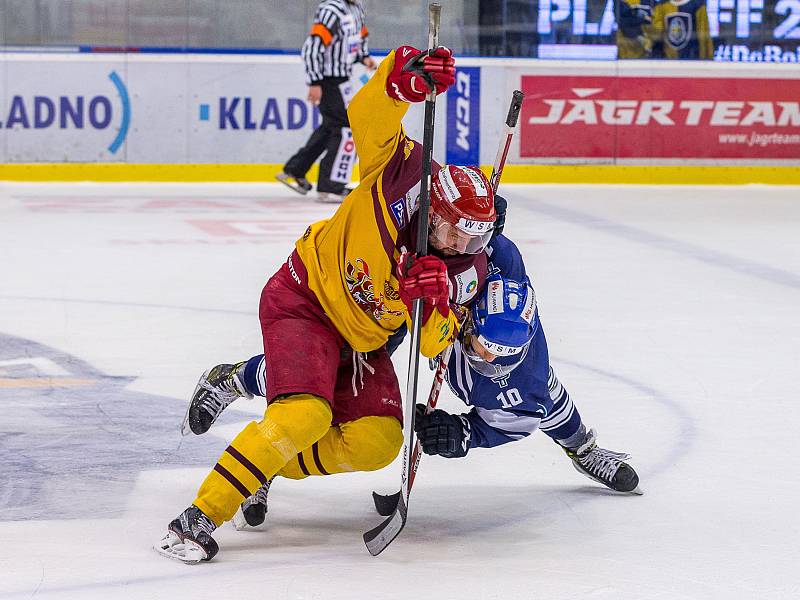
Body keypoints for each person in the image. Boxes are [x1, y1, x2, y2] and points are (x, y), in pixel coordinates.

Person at [155, 43, 499, 564]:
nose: (460, 246)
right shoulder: (403, 173)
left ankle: (260, 461)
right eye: (453, 231)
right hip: (306, 299)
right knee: (303, 417)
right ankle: (197, 518)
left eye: (473, 239)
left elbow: (434, 346)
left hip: (361, 339)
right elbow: (368, 115)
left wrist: (431, 302)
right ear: (434, 211)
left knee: (379, 440)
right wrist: (400, 77)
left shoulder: (462, 269)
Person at [184, 234, 641, 534]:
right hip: (429, 318)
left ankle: (584, 451)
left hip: (530, 392)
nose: (487, 360)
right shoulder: (497, 275)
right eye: (481, 346)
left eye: (498, 355)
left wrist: (462, 433)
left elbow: (505, 427)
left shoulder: (521, 387)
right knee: (340, 362)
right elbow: (489, 243)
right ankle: (237, 378)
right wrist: (485, 229)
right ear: (472, 314)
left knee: (555, 410)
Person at [276, 0, 377, 203]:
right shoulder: (331, 9)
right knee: (346, 128)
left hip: (342, 80)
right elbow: (312, 48)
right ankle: (331, 186)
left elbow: (356, 39)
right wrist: (315, 81)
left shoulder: (356, 9)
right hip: (328, 80)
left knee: (332, 126)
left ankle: (294, 170)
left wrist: (363, 57)